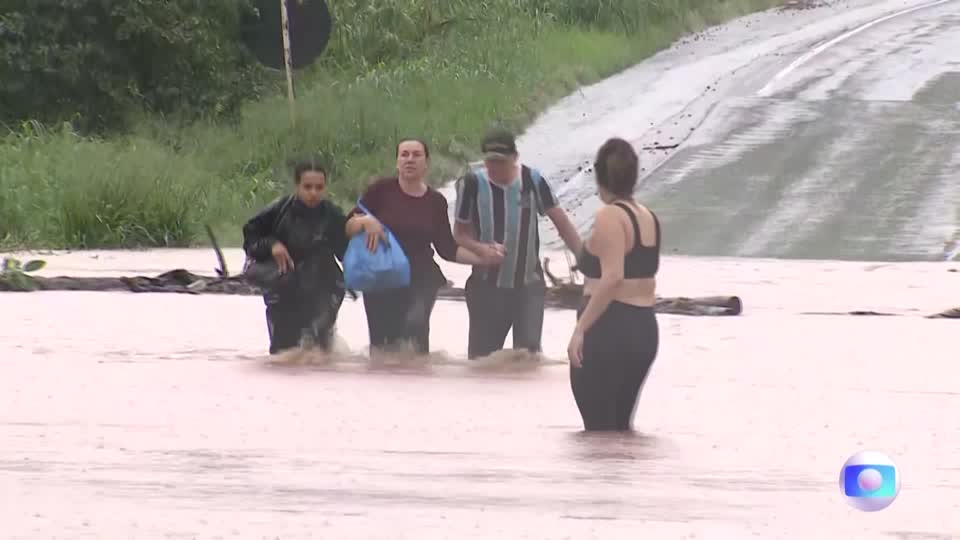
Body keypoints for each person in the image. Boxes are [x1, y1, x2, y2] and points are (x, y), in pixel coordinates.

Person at [345, 138, 502, 355]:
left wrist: (483, 257)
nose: (410, 159)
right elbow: (347, 227)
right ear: (397, 162)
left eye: (416, 155)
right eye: (405, 154)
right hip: (380, 278)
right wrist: (365, 222)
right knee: (382, 348)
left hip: (421, 278)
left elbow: (447, 248)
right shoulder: (380, 191)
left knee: (415, 330)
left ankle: (419, 382)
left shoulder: (436, 201)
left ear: (426, 163)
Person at [453, 127, 582, 360]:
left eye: (501, 162)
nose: (495, 167)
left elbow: (562, 224)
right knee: (483, 361)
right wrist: (482, 249)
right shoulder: (471, 184)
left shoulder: (533, 180)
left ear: (515, 157)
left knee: (528, 357)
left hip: (528, 286)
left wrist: (586, 260)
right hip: (486, 288)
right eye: (490, 161)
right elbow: (459, 234)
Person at [566, 137, 661, 431]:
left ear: (599, 176)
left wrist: (580, 330)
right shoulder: (648, 217)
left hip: (609, 331)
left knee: (596, 436)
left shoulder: (608, 216)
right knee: (620, 434)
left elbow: (612, 277)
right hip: (644, 331)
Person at [242, 160, 349, 355]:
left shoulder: (332, 215)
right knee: (283, 353)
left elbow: (345, 252)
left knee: (319, 351)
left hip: (323, 289)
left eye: (319, 187)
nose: (313, 193)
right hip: (283, 289)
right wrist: (272, 244)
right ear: (297, 186)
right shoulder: (278, 211)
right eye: (307, 187)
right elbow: (250, 241)